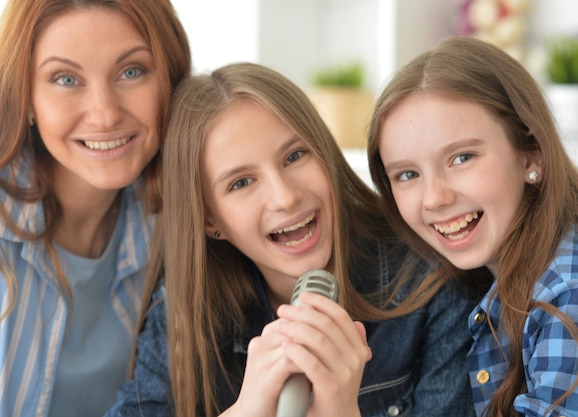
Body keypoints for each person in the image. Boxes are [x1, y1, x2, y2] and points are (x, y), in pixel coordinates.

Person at [106, 62, 484, 417]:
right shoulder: (185, 309)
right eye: (241, 183)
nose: (285, 196)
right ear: (208, 220)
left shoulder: (431, 282)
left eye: (295, 156)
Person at [0, 0, 190, 416]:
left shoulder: (178, 220)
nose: (104, 115)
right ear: (24, 97)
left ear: (170, 78)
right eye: (65, 78)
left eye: (131, 71)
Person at [367, 35, 578, 417]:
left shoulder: (566, 294)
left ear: (532, 153)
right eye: (407, 174)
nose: (434, 198)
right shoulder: (502, 285)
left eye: (462, 157)